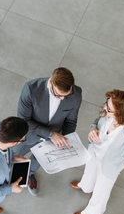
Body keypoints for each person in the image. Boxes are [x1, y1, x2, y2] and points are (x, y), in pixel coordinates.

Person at [71, 90, 124, 214]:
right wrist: (93, 129)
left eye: (109, 109)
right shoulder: (107, 115)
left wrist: (120, 167)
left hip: (110, 164)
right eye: (106, 104)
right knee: (90, 170)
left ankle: (91, 212)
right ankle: (85, 185)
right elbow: (96, 122)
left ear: (121, 114)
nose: (105, 108)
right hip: (94, 151)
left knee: (101, 191)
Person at [16, 68, 82, 196]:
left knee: (37, 162)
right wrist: (51, 134)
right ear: (50, 83)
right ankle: (4, 176)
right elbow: (23, 120)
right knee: (14, 155)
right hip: (27, 134)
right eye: (59, 95)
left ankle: (29, 174)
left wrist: (64, 140)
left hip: (53, 141)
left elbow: (71, 122)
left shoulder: (77, 93)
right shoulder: (31, 89)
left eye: (66, 95)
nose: (63, 99)